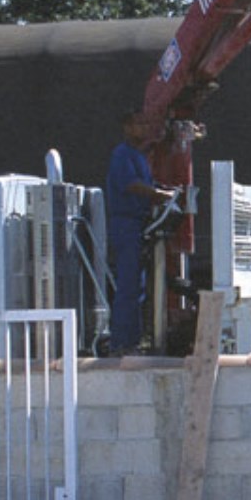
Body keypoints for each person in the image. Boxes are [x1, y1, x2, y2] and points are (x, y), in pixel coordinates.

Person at [106, 113, 174, 356]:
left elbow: (147, 184)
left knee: (139, 286)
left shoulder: (140, 157)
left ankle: (133, 340)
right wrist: (159, 195)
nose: (143, 129)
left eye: (146, 124)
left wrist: (164, 191)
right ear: (126, 127)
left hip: (139, 225)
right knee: (128, 285)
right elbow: (131, 185)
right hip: (126, 225)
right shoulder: (122, 154)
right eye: (138, 124)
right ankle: (121, 343)